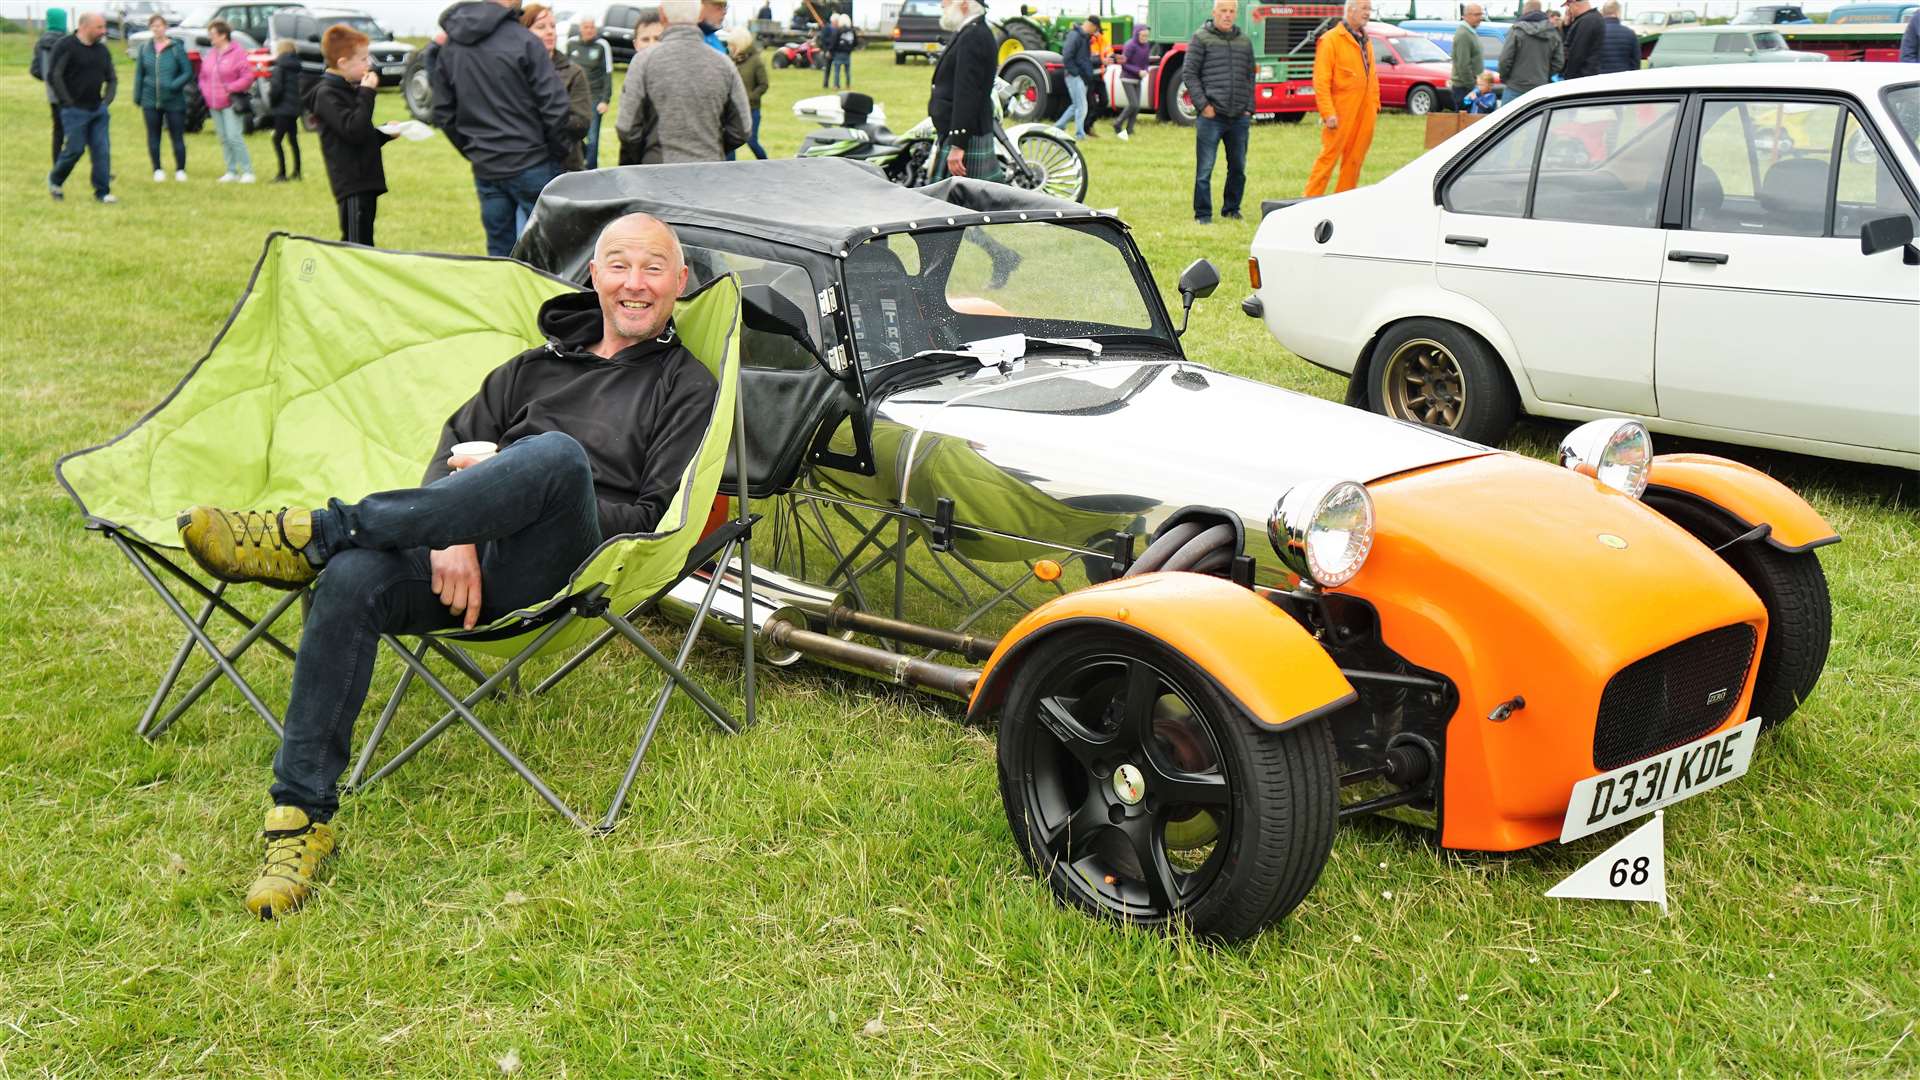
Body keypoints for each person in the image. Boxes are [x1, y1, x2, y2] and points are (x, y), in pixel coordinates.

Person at [176, 214, 718, 920]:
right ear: (594, 275)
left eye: (654, 268)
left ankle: (318, 532)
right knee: (350, 580)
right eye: (619, 264)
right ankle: (299, 821)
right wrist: (451, 531)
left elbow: (650, 516)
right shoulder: (532, 367)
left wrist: (512, 487)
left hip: (561, 565)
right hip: (458, 565)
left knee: (554, 457)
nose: (635, 283)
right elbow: (453, 447)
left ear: (680, 283)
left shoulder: (685, 386)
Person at [431, 0, 574, 256]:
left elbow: (443, 111)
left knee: (500, 250)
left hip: (495, 163)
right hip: (527, 162)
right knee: (549, 250)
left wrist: (475, 150)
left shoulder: (454, 48)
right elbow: (555, 104)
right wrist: (551, 150)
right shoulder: (523, 41)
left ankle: (508, 295)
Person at [617, 0, 751, 163]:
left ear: (662, 15)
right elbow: (742, 128)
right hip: (708, 173)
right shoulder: (723, 64)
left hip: (657, 174)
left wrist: (647, 155)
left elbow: (627, 127)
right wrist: (712, 149)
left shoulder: (644, 62)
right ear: (700, 14)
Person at [307, 23, 396, 246]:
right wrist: (367, 93)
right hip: (352, 182)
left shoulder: (348, 88)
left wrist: (385, 132)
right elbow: (353, 131)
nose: (369, 64)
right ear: (343, 63)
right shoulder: (327, 94)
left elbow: (361, 132)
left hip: (365, 178)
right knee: (356, 246)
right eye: (364, 59)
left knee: (365, 240)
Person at [1303, 0, 1379, 198]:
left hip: (1365, 110)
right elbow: (1321, 80)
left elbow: (1372, 75)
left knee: (1355, 159)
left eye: (1369, 9)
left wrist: (1375, 104)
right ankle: (1308, 200)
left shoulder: (1365, 39)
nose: (1367, 13)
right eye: (1364, 9)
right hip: (1341, 110)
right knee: (1329, 157)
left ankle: (1343, 199)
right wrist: (1328, 112)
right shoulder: (1331, 40)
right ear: (1351, 10)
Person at [1186, 0, 1254, 221]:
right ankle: (1203, 214)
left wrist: (1249, 108)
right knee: (1204, 170)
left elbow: (1250, 76)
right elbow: (1190, 74)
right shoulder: (1201, 38)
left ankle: (1232, 209)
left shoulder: (1244, 41)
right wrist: (1204, 106)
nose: (1227, 15)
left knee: (1238, 168)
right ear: (1214, 12)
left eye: (1231, 11)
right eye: (1223, 11)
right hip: (1211, 117)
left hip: (1239, 118)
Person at [47, 11, 118, 203]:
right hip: (74, 110)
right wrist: (67, 102)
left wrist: (106, 101)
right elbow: (55, 75)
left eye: (104, 27)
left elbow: (112, 78)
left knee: (101, 151)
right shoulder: (65, 46)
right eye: (99, 27)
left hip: (98, 110)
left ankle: (102, 192)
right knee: (75, 149)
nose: (104, 31)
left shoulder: (102, 51)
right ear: (85, 26)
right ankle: (55, 180)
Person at [928, 0, 1000, 181]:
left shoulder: (973, 36)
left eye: (948, 1)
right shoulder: (970, 32)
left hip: (967, 135)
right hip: (963, 130)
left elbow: (967, 92)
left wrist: (958, 144)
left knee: (957, 204)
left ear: (965, 5)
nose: (942, 4)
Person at [525, 4, 593, 171]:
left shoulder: (573, 73)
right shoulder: (515, 72)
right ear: (524, 32)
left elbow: (581, 125)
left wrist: (540, 116)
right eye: (541, 27)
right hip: (525, 167)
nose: (550, 32)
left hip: (566, 165)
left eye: (552, 26)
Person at [134, 12, 191, 182]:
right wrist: (138, 96)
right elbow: (139, 74)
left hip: (174, 100)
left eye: (159, 26)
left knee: (177, 135)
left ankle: (180, 169)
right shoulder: (144, 49)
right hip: (150, 99)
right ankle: (157, 169)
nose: (157, 29)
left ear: (165, 27)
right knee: (153, 135)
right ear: (150, 28)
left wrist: (174, 85)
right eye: (153, 26)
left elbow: (187, 71)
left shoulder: (176, 48)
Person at [198, 20, 256, 183]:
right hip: (213, 103)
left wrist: (230, 88)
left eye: (213, 35)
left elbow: (248, 77)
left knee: (234, 136)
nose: (211, 38)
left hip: (231, 102)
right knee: (223, 137)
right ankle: (231, 170)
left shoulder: (238, 53)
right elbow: (203, 76)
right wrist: (205, 91)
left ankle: (247, 171)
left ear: (223, 35)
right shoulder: (211, 54)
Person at [565, 16, 615, 167]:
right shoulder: (571, 43)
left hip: (594, 98)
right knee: (573, 135)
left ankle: (591, 170)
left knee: (592, 138)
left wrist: (605, 100)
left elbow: (608, 73)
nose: (589, 30)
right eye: (586, 27)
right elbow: (563, 70)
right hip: (573, 99)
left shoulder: (602, 45)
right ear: (581, 28)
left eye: (592, 27)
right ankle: (576, 165)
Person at [1499, 0, 1564, 105]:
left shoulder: (1517, 30)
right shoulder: (1553, 32)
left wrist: (1505, 78)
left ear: (1525, 11)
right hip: (1539, 88)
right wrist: (1544, 74)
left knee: (1505, 120)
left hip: (1515, 87)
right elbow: (1559, 62)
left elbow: (1505, 59)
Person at [33, 8, 69, 171]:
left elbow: (35, 70)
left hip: (53, 94)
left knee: (58, 130)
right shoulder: (68, 41)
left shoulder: (40, 43)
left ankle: (57, 166)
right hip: (72, 92)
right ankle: (100, 168)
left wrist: (48, 80)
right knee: (85, 129)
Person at [727, 27, 770, 160]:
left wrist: (749, 98)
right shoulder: (730, 60)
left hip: (752, 110)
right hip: (732, 111)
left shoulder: (756, 61)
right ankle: (728, 168)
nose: (729, 47)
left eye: (732, 45)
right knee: (729, 142)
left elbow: (763, 85)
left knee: (751, 142)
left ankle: (767, 164)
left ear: (740, 44)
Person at [1056, 15, 1099, 139]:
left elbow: (1083, 59)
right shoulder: (1075, 36)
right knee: (1082, 106)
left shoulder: (1084, 37)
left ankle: (1058, 127)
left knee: (1076, 105)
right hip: (1075, 76)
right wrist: (1076, 73)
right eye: (1095, 29)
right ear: (1090, 25)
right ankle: (1080, 134)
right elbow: (1067, 57)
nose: (1095, 32)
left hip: (1079, 76)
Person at [268, 39, 304, 182]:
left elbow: (276, 89)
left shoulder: (280, 67)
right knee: (293, 140)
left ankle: (282, 173)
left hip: (282, 109)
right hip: (294, 109)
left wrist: (272, 103)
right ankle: (297, 171)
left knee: (277, 140)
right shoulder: (297, 67)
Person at [1112, 23, 1150, 140]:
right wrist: (1138, 71)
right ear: (1137, 34)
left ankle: (1129, 130)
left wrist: (1145, 70)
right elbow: (1124, 63)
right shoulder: (1130, 45)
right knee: (1133, 103)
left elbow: (1146, 62)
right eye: (1143, 36)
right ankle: (1117, 123)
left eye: (1146, 36)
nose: (1145, 38)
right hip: (1127, 78)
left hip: (1138, 78)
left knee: (1137, 106)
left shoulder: (1146, 46)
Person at [1450, 5, 1484, 111]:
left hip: (1468, 87)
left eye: (1481, 14)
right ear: (1467, 16)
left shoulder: (1470, 32)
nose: (1480, 18)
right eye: (1476, 15)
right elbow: (1463, 65)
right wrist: (1472, 87)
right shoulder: (1463, 34)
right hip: (1464, 88)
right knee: (1464, 121)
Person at [1560, 0, 1604, 79]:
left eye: (1569, 6)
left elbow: (1576, 54)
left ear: (1574, 4)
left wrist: (1567, 78)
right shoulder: (1591, 18)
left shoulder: (1587, 21)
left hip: (1581, 77)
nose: (1569, 10)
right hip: (1586, 75)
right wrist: (1566, 26)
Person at [1597, 1, 1640, 74]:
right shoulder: (1630, 33)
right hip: (1622, 80)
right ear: (1618, 13)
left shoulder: (1596, 32)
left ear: (1603, 13)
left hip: (1601, 79)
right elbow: (1635, 63)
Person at [827, 13, 858, 88]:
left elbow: (834, 42)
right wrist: (851, 48)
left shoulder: (838, 30)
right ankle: (848, 85)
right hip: (847, 53)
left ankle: (836, 85)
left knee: (837, 70)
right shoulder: (852, 31)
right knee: (847, 71)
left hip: (838, 53)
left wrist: (830, 50)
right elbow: (855, 42)